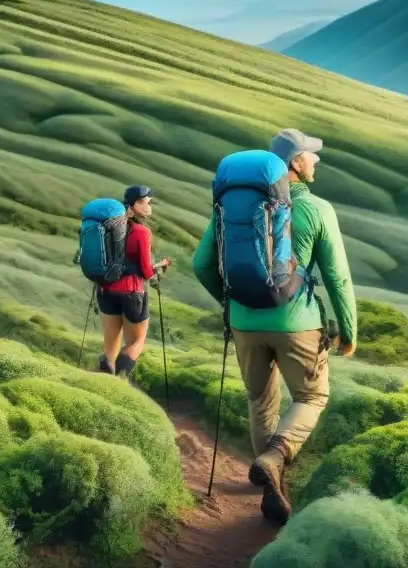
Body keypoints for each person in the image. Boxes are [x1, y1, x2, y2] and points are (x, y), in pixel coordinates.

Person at [192, 128, 358, 525]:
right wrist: (349, 330)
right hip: (296, 322)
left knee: (259, 400)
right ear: (296, 163)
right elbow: (337, 276)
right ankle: (276, 456)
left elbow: (201, 264)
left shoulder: (232, 206)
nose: (316, 160)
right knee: (312, 397)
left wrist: (233, 307)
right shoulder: (317, 208)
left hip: (245, 322)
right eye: (311, 155)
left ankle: (270, 484)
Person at [97, 184, 171, 377]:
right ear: (135, 204)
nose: (149, 207)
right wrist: (160, 266)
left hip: (105, 290)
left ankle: (103, 380)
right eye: (147, 203)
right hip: (131, 291)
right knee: (135, 344)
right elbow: (146, 272)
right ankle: (119, 382)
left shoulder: (109, 228)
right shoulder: (141, 232)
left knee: (110, 348)